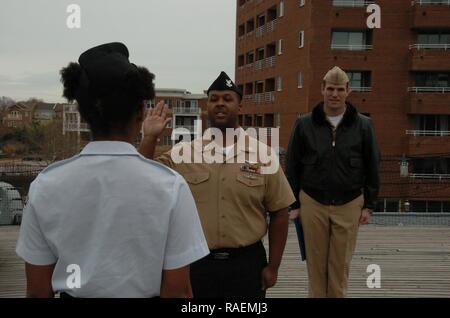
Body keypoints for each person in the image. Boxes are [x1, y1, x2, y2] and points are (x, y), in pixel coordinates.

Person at [15, 42, 209, 298]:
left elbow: (38, 290)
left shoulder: (46, 185)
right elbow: (178, 291)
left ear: (84, 115)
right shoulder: (171, 187)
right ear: (141, 113)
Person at [139, 71, 296, 298]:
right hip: (196, 264)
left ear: (240, 107)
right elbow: (144, 178)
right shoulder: (184, 153)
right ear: (207, 107)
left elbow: (280, 213)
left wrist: (274, 266)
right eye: (214, 99)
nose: (220, 104)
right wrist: (150, 138)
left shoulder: (263, 155)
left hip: (247, 265)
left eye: (227, 98)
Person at [286, 66, 380, 298]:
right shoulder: (304, 125)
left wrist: (369, 204)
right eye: (330, 89)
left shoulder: (363, 125)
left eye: (339, 89)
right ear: (322, 90)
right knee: (315, 266)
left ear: (348, 91)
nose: (334, 94)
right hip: (312, 201)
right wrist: (294, 205)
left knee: (340, 266)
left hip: (349, 202)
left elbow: (372, 165)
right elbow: (292, 165)